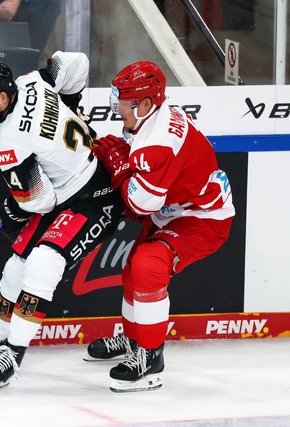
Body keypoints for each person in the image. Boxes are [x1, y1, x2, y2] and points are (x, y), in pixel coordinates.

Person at [0, 52, 123, 391]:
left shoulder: (8, 143)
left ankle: (13, 354)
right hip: (68, 192)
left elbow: (40, 201)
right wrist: (73, 106)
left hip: (94, 200)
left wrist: (16, 208)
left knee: (43, 262)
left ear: (2, 98)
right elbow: (78, 62)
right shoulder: (35, 80)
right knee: (16, 266)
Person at [86, 61, 234, 392]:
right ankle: (133, 340)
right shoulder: (153, 118)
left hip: (202, 219)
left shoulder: (158, 142)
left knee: (147, 263)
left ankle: (150, 358)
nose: (116, 106)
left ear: (145, 103)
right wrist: (121, 155)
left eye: (122, 100)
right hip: (177, 209)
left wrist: (120, 166)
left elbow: (141, 204)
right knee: (131, 270)